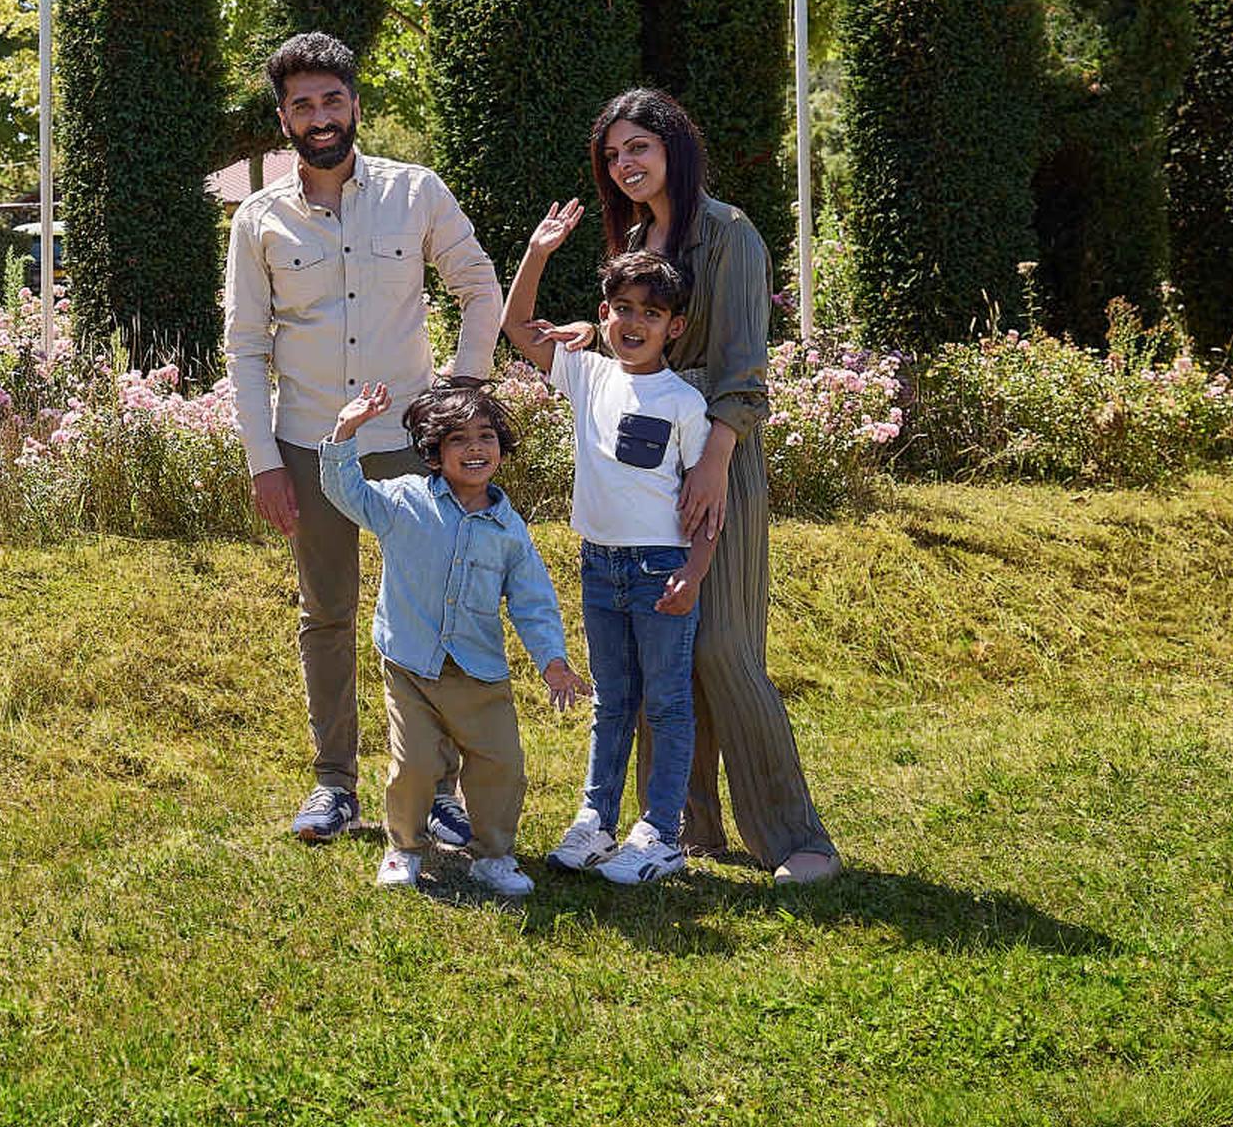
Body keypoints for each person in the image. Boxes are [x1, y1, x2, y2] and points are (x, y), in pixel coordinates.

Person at [502, 87, 842, 884]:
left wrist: (717, 463)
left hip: (717, 457)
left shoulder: (729, 233)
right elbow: (639, 330)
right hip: (641, 480)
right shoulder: (635, 237)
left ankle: (796, 838)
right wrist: (598, 336)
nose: (625, 165)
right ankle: (685, 828)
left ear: (673, 149)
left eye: (639, 149)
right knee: (664, 660)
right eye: (613, 155)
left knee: (724, 647)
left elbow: (742, 365)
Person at [224, 31, 507, 846]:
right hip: (311, 447)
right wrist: (265, 462)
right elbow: (245, 346)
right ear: (284, 119)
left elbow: (478, 286)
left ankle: (440, 789)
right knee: (327, 614)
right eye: (303, 105)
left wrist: (461, 392)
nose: (320, 117)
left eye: (332, 100)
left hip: (409, 442)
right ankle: (334, 785)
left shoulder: (416, 193)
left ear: (355, 105)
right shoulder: (258, 218)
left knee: (434, 610)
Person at [313, 376, 588, 895]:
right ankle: (403, 848)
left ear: (501, 449)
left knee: (501, 765)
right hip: (411, 664)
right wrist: (346, 429)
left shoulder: (510, 530)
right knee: (414, 763)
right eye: (458, 439)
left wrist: (552, 660)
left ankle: (493, 856)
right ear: (435, 453)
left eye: (486, 436)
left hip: (479, 673)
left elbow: (533, 602)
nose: (475, 448)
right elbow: (345, 491)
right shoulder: (402, 503)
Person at [512, 246, 715, 885]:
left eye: (650, 314)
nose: (634, 323)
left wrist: (696, 571)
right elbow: (517, 328)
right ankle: (596, 820)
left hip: (662, 570)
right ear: (603, 314)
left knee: (667, 702)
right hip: (598, 566)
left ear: (673, 327)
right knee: (611, 701)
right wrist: (539, 252)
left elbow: (707, 501)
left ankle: (660, 833)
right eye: (622, 309)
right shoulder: (589, 374)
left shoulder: (684, 402)